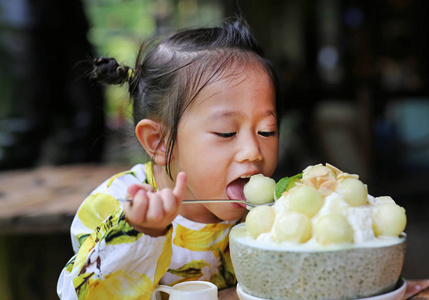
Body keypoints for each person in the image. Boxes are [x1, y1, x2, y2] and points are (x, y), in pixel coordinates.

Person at [57, 18, 280, 299]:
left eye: (266, 131)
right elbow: (77, 293)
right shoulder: (118, 203)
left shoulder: (273, 213)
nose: (253, 151)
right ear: (159, 142)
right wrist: (141, 233)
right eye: (226, 132)